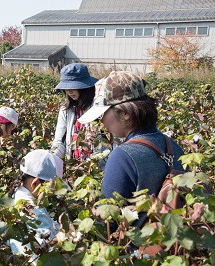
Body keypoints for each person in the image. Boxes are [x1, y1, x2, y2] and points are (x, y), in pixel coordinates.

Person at [78, 71, 185, 228]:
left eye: (103, 113)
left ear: (125, 113)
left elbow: (108, 220)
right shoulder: (173, 145)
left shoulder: (123, 156)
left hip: (139, 249)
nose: (101, 121)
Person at [8, 149, 66, 264]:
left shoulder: (19, 195)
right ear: (35, 183)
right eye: (52, 189)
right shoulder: (32, 211)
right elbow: (48, 250)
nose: (52, 194)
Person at [50, 63, 99, 160]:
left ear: (84, 87)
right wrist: (51, 156)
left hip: (96, 167)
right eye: (66, 88)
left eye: (72, 87)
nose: (69, 91)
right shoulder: (66, 110)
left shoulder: (98, 108)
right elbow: (59, 141)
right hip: (75, 166)